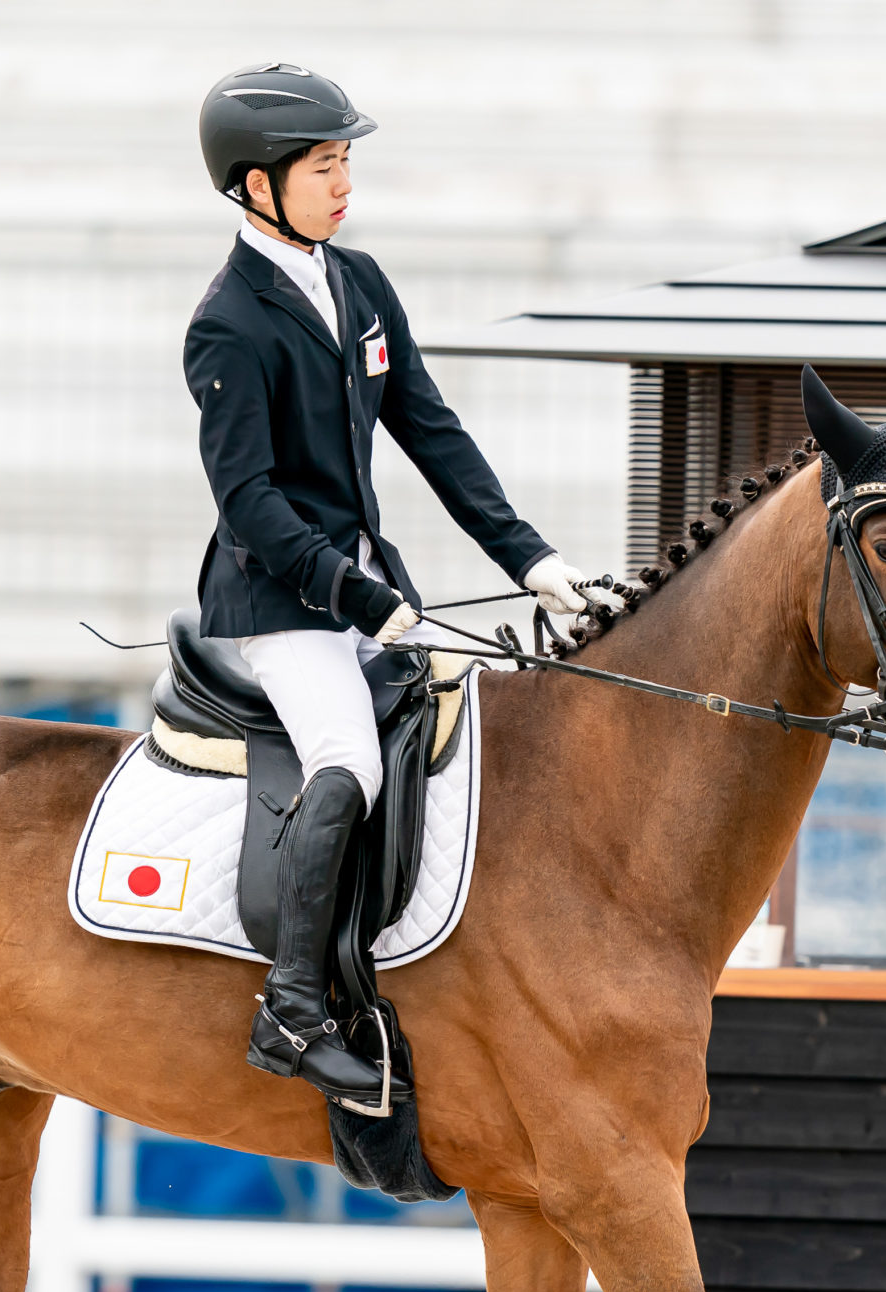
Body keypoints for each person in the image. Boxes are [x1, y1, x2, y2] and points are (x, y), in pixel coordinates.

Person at [187, 63, 623, 1099]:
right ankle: (290, 1012)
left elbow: (429, 429)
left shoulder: (359, 280)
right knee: (353, 759)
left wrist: (533, 559)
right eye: (325, 166)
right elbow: (249, 502)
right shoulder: (226, 324)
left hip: (368, 584)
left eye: (346, 164)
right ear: (257, 184)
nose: (344, 185)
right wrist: (355, 592)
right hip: (281, 603)